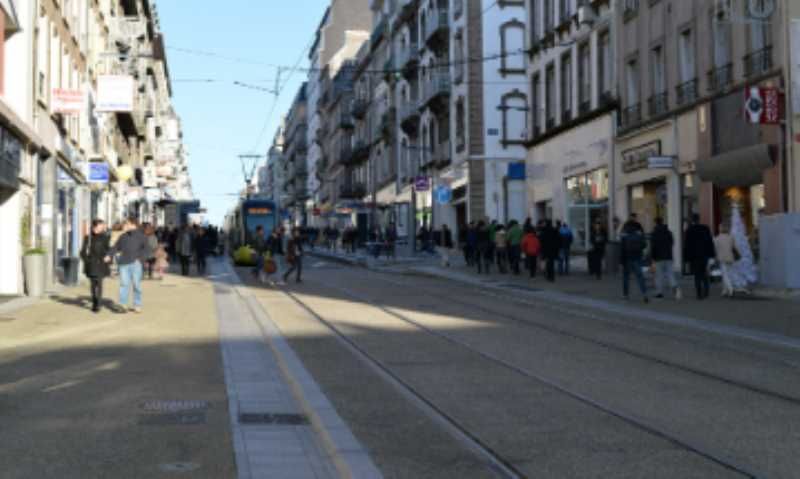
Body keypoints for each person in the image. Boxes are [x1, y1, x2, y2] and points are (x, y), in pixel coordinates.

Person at [106, 217, 148, 313]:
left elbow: (146, 249)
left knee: (136, 285)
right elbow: (115, 247)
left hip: (136, 264)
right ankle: (122, 304)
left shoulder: (142, 236)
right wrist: (109, 255)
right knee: (124, 284)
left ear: (133, 224)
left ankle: (137, 304)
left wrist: (140, 259)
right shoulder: (123, 236)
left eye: (126, 223)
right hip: (123, 264)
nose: (124, 225)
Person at [80, 220, 111, 313]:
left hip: (101, 263)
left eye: (102, 226)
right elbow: (82, 251)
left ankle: (99, 304)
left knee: (99, 283)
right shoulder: (88, 238)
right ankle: (94, 301)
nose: (101, 228)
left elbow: (108, 249)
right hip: (92, 264)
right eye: (99, 226)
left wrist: (108, 257)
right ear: (94, 227)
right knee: (93, 284)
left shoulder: (105, 237)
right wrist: (87, 260)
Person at [684, 214, 716, 300]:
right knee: (704, 273)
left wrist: (686, 258)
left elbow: (687, 245)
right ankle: (706, 291)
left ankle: (699, 294)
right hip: (704, 255)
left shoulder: (689, 230)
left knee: (697, 275)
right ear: (699, 219)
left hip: (694, 256)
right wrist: (712, 254)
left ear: (692, 220)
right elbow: (710, 242)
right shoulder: (705, 228)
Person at [650, 217, 680, 299]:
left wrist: (652, 258)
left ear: (655, 223)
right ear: (662, 222)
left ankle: (659, 292)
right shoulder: (668, 232)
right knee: (670, 274)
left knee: (659, 276)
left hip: (658, 257)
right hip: (668, 256)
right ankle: (675, 287)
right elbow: (672, 242)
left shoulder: (654, 233)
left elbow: (653, 247)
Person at [620, 219, 649, 303]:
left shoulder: (624, 235)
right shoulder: (638, 234)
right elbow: (644, 244)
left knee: (626, 277)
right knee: (640, 277)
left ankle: (625, 294)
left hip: (627, 259)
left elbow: (622, 249)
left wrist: (621, 261)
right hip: (637, 258)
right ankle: (644, 294)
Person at [714, 223, 738, 297]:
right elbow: (734, 247)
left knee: (725, 275)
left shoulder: (717, 238)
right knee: (728, 274)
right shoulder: (731, 237)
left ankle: (731, 290)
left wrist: (715, 258)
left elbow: (715, 250)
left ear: (720, 229)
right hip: (730, 258)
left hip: (722, 259)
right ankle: (724, 291)